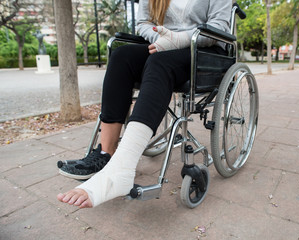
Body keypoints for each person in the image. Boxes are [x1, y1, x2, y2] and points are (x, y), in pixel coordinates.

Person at [57, 0, 232, 208]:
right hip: (162, 46)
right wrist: (162, 40)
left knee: (159, 62)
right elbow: (142, 23)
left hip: (204, 51)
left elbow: (219, 27)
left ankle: (122, 167)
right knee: (122, 56)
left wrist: (179, 39)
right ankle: (106, 154)